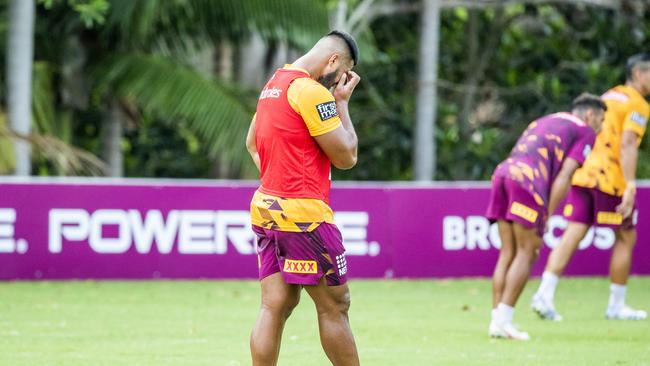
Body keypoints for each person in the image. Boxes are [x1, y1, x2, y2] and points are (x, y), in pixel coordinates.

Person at [245, 30, 361, 365]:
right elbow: (347, 156)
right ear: (333, 61)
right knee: (335, 305)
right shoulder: (311, 92)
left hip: (267, 209)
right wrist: (341, 103)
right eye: (341, 75)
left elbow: (252, 143)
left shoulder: (273, 86)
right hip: (304, 216)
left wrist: (278, 177)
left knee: (275, 305)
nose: (338, 82)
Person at [532, 53, 650, 322]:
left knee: (574, 231)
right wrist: (631, 184)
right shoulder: (638, 104)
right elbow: (628, 143)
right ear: (640, 74)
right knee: (626, 236)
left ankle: (544, 293)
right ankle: (616, 305)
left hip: (584, 171)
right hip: (609, 178)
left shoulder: (609, 96)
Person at [487, 94, 605, 340]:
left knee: (508, 252)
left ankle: (496, 321)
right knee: (528, 251)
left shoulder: (548, 119)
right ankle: (505, 320)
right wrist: (546, 214)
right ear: (590, 115)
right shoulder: (585, 131)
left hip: (503, 173)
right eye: (601, 120)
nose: (601, 128)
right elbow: (565, 175)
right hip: (528, 180)